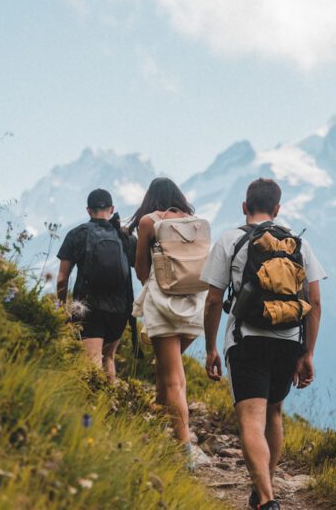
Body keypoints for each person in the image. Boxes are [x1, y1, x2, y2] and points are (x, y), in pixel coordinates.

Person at [201, 178, 326, 510]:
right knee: (274, 414)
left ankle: (267, 498)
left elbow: (214, 300)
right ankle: (261, 493)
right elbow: (314, 300)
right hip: (289, 341)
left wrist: (211, 347)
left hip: (247, 340)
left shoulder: (231, 240)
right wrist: (308, 352)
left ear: (244, 207)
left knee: (250, 420)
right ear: (277, 209)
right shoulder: (299, 244)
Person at [129, 177, 205, 462]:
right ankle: (160, 417)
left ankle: (184, 449)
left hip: (163, 303)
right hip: (194, 303)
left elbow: (140, 268)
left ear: (150, 198)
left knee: (173, 379)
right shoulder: (194, 222)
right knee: (167, 367)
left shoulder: (149, 221)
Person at [57, 188, 134, 382]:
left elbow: (61, 278)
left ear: (88, 210)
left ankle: (92, 407)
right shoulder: (125, 237)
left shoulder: (77, 234)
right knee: (108, 358)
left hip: (88, 307)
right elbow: (141, 269)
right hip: (120, 308)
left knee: (91, 361)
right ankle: (108, 408)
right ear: (112, 209)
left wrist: (62, 306)